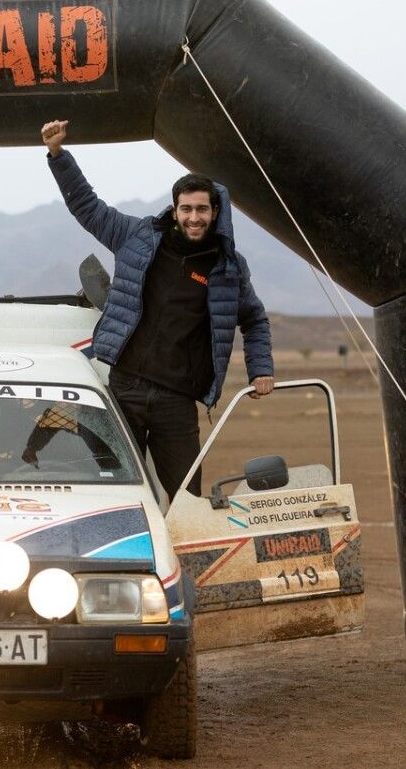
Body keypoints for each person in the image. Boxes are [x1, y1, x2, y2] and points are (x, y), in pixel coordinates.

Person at [41, 120, 274, 500]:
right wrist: (58, 156)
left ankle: (185, 557)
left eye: (202, 209)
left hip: (177, 400)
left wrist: (261, 368)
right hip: (126, 388)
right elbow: (87, 208)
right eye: (186, 209)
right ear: (175, 208)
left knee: (188, 497)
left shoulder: (227, 268)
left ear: (216, 213)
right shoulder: (137, 238)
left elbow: (255, 320)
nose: (194, 217)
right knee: (115, 490)